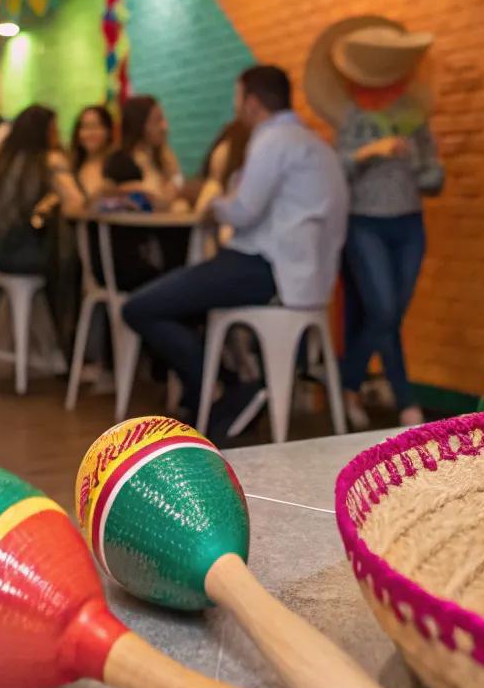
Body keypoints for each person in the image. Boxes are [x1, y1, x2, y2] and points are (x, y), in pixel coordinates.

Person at [122, 65, 349, 429]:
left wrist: (210, 204)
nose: (237, 109)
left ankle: (219, 392)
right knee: (188, 304)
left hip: (265, 268)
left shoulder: (272, 140)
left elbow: (243, 211)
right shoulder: (315, 143)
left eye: (238, 100)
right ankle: (222, 391)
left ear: (252, 102)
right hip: (306, 276)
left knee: (140, 307)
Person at [325, 24, 444, 429]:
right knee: (384, 309)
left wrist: (413, 162)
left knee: (387, 316)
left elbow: (436, 180)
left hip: (409, 226)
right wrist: (370, 152)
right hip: (365, 227)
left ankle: (347, 384)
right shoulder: (353, 117)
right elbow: (336, 168)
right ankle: (407, 402)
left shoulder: (415, 118)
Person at [0, 105, 86, 274]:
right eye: (54, 129)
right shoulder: (50, 161)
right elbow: (76, 205)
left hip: (0, 251)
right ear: (44, 132)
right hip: (32, 253)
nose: (58, 135)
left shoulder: (4, 162)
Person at [103, 95, 185, 209]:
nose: (164, 127)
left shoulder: (161, 155)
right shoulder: (121, 162)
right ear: (139, 125)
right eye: (157, 121)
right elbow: (159, 201)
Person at [70, 104, 116, 201]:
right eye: (85, 127)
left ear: (109, 131)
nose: (90, 133)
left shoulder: (119, 166)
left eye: (96, 126)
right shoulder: (71, 166)